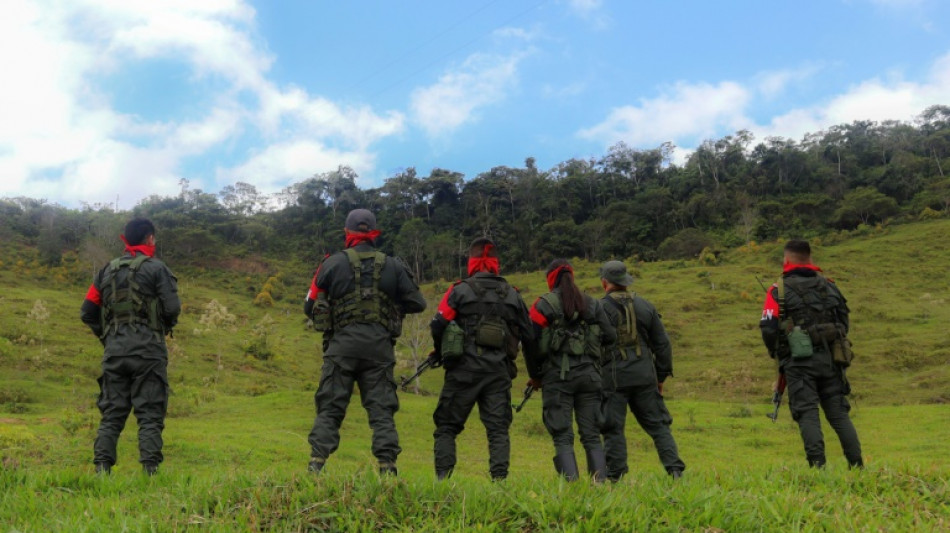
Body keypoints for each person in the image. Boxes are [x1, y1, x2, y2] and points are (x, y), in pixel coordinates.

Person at [304, 208, 427, 475]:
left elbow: (309, 306)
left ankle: (316, 466)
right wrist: (389, 303)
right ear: (374, 233)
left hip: (341, 347)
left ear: (347, 233)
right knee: (381, 410)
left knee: (330, 406)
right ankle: (387, 468)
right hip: (378, 349)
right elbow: (418, 303)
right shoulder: (393, 265)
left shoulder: (331, 263)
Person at [80, 218, 181, 476]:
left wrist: (107, 338)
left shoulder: (105, 271)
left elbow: (87, 312)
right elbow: (172, 308)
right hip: (148, 351)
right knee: (149, 412)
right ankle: (150, 473)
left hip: (114, 352)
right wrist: (160, 329)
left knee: (112, 413)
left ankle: (102, 472)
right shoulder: (157, 269)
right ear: (149, 239)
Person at [430, 237, 532, 480]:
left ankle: (443, 482)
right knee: (498, 430)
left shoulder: (459, 290)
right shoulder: (513, 295)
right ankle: (499, 483)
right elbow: (530, 335)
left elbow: (438, 324)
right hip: (498, 372)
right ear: (496, 263)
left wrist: (439, 352)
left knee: (446, 427)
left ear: (472, 262)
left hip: (463, 370)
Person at [760, 240, 863, 469]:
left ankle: (818, 468)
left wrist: (776, 353)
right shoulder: (830, 285)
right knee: (838, 414)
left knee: (807, 413)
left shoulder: (778, 289)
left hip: (798, 362)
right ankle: (857, 466)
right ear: (810, 257)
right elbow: (843, 322)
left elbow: (768, 327)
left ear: (786, 260)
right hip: (831, 360)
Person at [524, 259, 616, 482]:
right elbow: (611, 337)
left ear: (550, 278)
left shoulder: (542, 305)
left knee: (562, 436)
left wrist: (536, 376)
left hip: (557, 379)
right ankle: (600, 485)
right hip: (590, 377)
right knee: (592, 435)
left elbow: (529, 343)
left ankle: (572, 488)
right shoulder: (593, 303)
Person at [598, 260, 685, 481]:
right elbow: (663, 344)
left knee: (613, 428)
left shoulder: (598, 309)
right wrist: (661, 375)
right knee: (658, 426)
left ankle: (615, 477)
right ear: (626, 281)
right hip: (645, 376)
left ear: (604, 283)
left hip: (613, 378)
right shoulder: (645, 306)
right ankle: (675, 471)